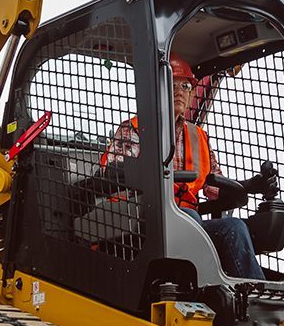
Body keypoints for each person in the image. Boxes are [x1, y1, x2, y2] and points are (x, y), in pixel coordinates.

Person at [103, 52, 266, 280]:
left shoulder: (198, 136)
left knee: (234, 228)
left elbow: (214, 186)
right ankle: (198, 291)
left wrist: (247, 186)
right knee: (190, 219)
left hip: (187, 220)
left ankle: (252, 297)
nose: (179, 91)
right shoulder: (135, 129)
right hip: (142, 221)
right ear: (156, 90)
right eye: (172, 84)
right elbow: (113, 173)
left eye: (185, 87)